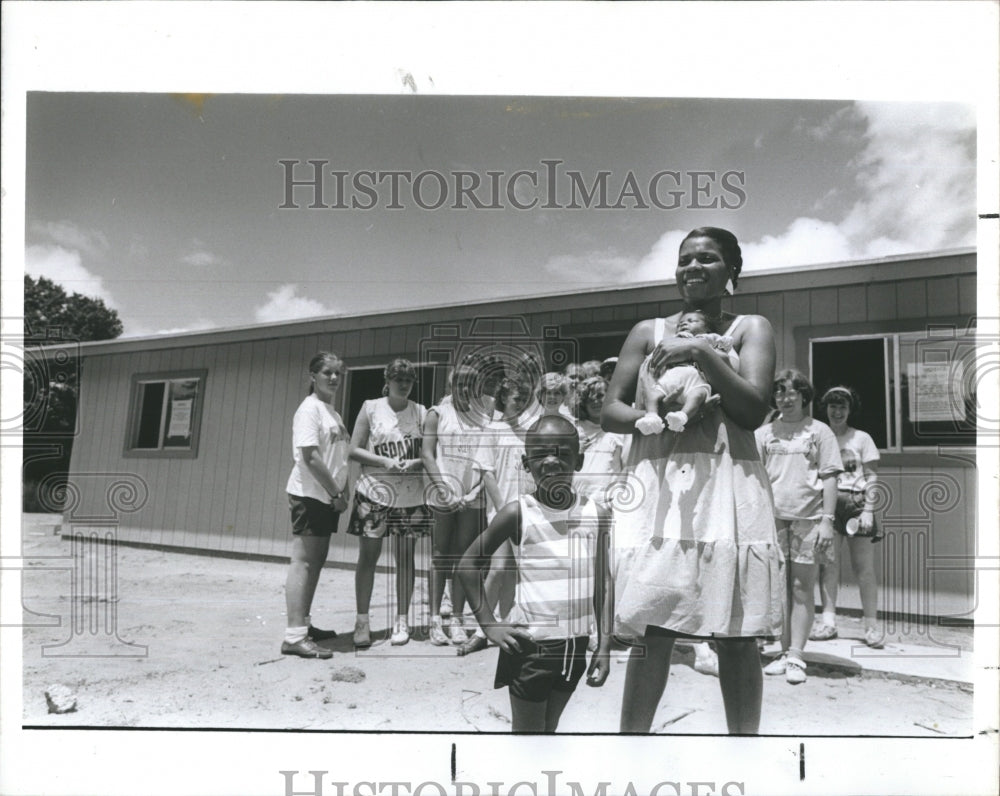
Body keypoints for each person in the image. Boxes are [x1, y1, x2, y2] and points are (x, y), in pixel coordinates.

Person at [602, 226, 782, 733]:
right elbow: (609, 409)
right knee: (655, 627)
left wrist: (701, 353)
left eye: (707, 258)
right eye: (685, 260)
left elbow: (751, 409)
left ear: (732, 272)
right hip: (663, 486)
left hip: (727, 483)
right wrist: (650, 418)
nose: (693, 268)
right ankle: (630, 751)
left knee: (736, 633)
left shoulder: (751, 327)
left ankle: (743, 755)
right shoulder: (647, 331)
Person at [457, 415, 613, 733]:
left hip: (575, 649)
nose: (552, 461)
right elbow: (467, 564)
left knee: (548, 732)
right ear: (526, 463)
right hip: (531, 650)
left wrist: (605, 644)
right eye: (541, 454)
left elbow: (603, 583)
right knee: (528, 738)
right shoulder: (518, 512)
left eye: (562, 453)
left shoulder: (596, 514)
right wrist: (489, 626)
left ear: (579, 460)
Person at [755, 369, 843, 685]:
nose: (786, 398)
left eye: (792, 392)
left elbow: (830, 476)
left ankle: (796, 656)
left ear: (804, 396)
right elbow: (754, 478)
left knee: (801, 587)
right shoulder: (764, 433)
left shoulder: (819, 432)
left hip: (809, 519)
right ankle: (782, 651)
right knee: (778, 588)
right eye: (779, 392)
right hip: (773, 520)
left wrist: (827, 522)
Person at [347, 358, 429, 648]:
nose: (404, 385)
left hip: (410, 496)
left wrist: (415, 462)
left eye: (408, 380)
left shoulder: (421, 411)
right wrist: (384, 461)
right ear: (388, 380)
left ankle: (402, 619)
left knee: (405, 559)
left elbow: (431, 454)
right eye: (399, 379)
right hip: (375, 493)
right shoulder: (371, 407)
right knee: (368, 557)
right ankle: (362, 620)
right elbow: (354, 449)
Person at [458, 377, 536, 656]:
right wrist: (504, 509)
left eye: (525, 399)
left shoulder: (531, 431)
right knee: (498, 570)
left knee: (519, 574)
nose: (521, 404)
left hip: (529, 511)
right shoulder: (493, 429)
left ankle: (514, 627)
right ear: (504, 399)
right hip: (503, 511)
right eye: (516, 399)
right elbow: (487, 472)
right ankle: (482, 630)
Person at [282, 352, 351, 659]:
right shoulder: (309, 409)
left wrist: (341, 491)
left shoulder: (331, 412)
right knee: (304, 561)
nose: (334, 378)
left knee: (317, 561)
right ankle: (294, 636)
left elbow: (339, 457)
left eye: (338, 373)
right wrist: (336, 492)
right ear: (313, 376)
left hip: (327, 496)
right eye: (327, 373)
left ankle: (304, 626)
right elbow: (310, 457)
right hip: (310, 494)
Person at [421, 363, 489, 646]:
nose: (465, 389)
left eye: (471, 384)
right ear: (452, 385)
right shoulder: (437, 414)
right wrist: (444, 489)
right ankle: (435, 619)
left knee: (464, 558)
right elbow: (426, 453)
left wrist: (473, 493)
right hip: (443, 495)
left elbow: (489, 460)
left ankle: (458, 618)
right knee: (440, 555)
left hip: (471, 497)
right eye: (460, 383)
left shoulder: (484, 417)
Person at [812, 386, 884, 648]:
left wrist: (868, 510)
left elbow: (872, 476)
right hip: (828, 504)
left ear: (850, 409)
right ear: (826, 408)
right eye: (833, 406)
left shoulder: (861, 438)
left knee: (863, 569)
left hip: (856, 504)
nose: (837, 411)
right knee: (828, 566)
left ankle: (871, 627)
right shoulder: (818, 435)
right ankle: (828, 622)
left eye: (843, 406)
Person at [635, 309, 738, 435]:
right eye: (680, 324)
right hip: (672, 376)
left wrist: (717, 342)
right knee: (652, 393)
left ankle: (682, 416)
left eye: (692, 321)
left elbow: (725, 345)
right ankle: (652, 416)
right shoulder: (670, 341)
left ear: (707, 329)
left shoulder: (706, 338)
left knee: (698, 395)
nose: (684, 324)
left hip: (694, 379)